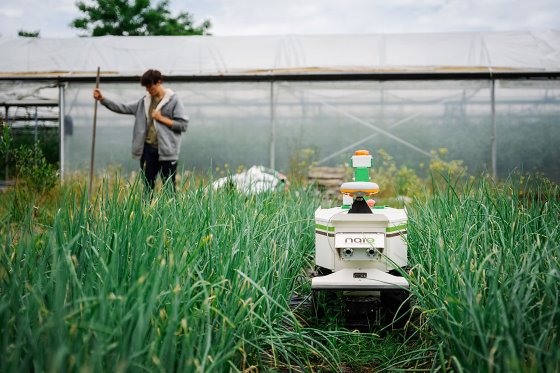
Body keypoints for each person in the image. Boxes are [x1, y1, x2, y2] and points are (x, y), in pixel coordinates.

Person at [93, 69, 189, 193]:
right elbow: (123, 107)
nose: (148, 90)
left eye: (150, 86)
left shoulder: (173, 101)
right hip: (148, 151)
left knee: (169, 188)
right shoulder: (144, 102)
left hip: (167, 152)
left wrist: (161, 118)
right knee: (147, 188)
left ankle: (171, 212)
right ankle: (146, 211)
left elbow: (183, 125)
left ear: (158, 82)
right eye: (146, 87)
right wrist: (102, 99)